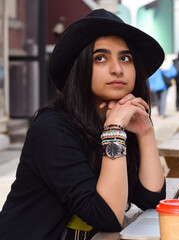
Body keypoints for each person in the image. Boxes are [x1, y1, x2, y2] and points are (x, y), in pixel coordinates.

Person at [0, 9, 166, 240]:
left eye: (125, 58)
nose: (117, 69)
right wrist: (114, 131)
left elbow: (152, 199)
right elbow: (107, 215)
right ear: (81, 68)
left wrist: (145, 132)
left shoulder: (118, 120)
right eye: (100, 58)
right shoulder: (51, 128)